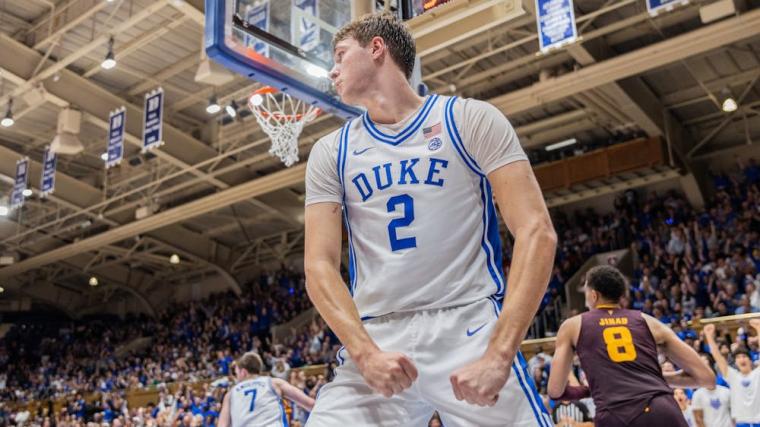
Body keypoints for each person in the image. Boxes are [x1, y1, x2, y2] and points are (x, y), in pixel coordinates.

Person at [304, 12, 556, 427]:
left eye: (340, 55)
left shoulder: (470, 119)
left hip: (466, 323)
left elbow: (537, 232)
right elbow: (318, 266)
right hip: (376, 336)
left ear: (377, 48)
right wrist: (364, 354)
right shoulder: (331, 152)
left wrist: (499, 354)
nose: (332, 70)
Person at [547, 265, 714, 427]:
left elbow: (555, 390)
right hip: (661, 409)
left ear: (594, 295)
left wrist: (588, 390)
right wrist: (657, 378)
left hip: (616, 415)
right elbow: (706, 378)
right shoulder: (649, 322)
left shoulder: (573, 326)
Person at [218, 352, 315, 427]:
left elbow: (222, 425)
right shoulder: (274, 383)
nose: (236, 377)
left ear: (243, 372)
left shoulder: (231, 393)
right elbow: (310, 404)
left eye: (236, 373)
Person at [703, 320, 760, 427]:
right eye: (738, 357)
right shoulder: (733, 376)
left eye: (744, 356)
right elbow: (718, 357)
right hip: (741, 422)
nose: (742, 359)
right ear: (735, 362)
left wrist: (758, 328)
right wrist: (709, 336)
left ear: (750, 360)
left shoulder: (757, 374)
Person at [691, 360, 731, 427]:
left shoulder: (726, 391)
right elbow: (698, 418)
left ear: (715, 377)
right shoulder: (697, 394)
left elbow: (733, 413)